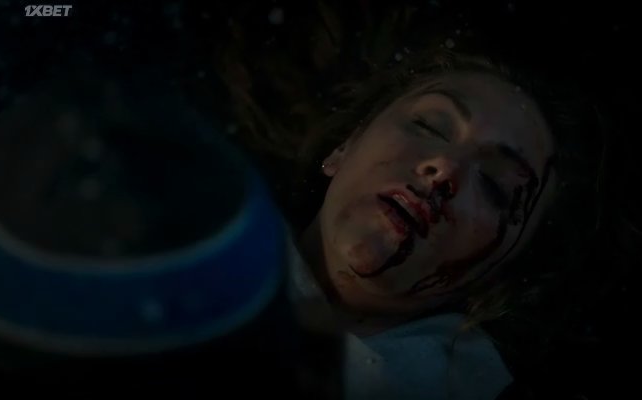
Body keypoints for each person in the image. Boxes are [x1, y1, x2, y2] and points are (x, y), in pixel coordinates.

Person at [216, 41, 605, 399]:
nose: (445, 168)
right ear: (345, 146)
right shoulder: (199, 222)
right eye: (429, 126)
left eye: (494, 186)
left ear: (504, 277)